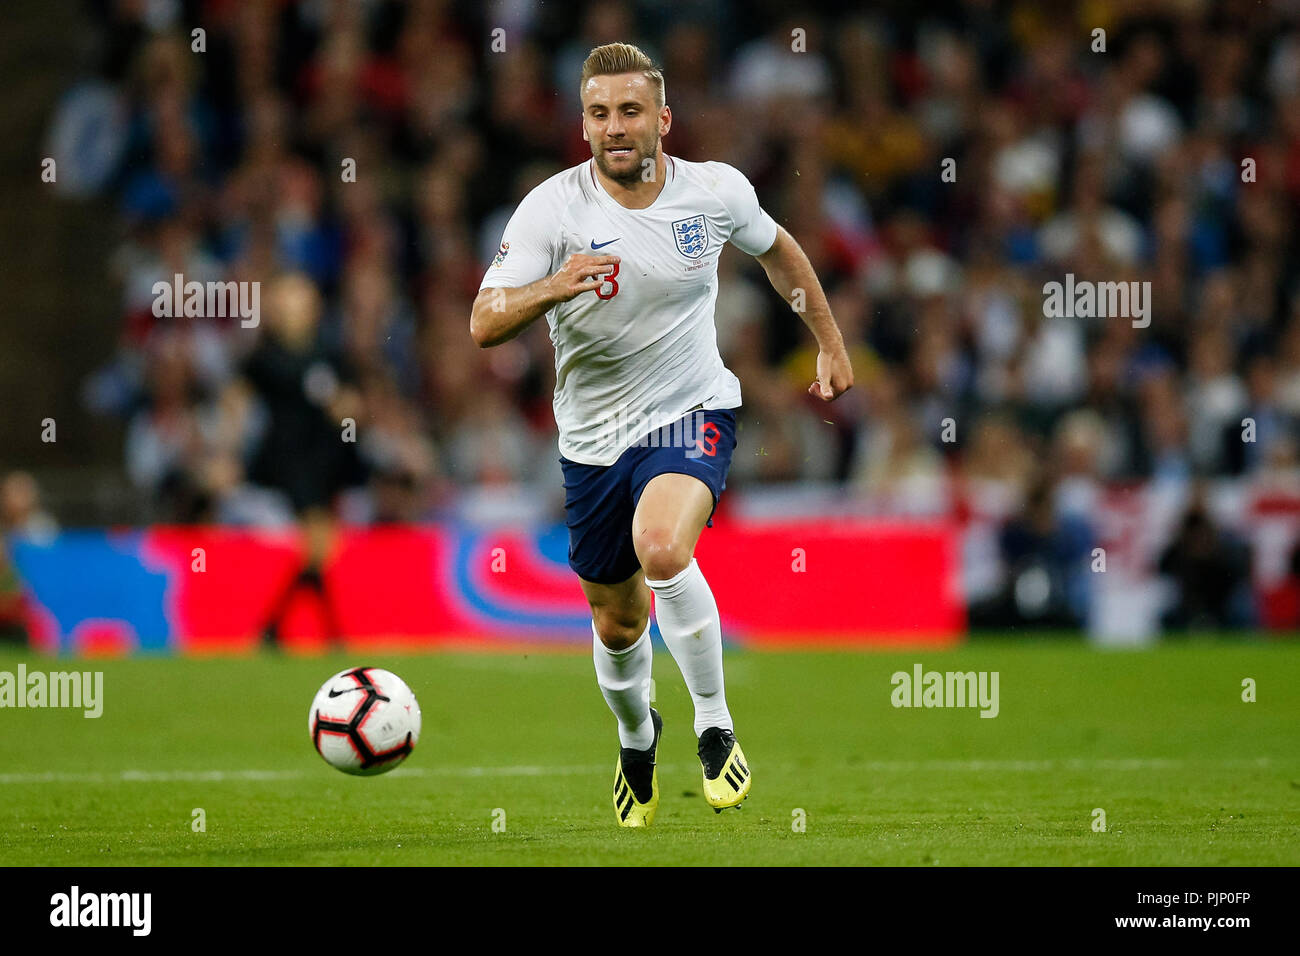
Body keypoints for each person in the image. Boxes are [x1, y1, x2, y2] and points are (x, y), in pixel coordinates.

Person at [470, 43, 853, 827]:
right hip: (592, 442)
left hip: (692, 410)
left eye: (632, 111)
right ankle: (638, 735)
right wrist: (554, 284)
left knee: (664, 549)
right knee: (616, 620)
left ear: (663, 119)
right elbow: (482, 322)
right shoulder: (552, 209)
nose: (617, 126)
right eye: (601, 113)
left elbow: (779, 251)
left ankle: (715, 727)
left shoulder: (714, 192)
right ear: (583, 126)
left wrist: (830, 340)